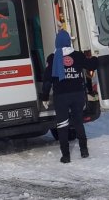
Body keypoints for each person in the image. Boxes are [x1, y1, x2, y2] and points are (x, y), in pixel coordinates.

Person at [41, 30, 99, 163]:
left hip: (61, 96)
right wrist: (96, 57)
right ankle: (84, 151)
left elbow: (47, 80)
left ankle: (65, 156)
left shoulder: (52, 58)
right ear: (68, 41)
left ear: (57, 42)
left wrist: (45, 96)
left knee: (62, 125)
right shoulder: (77, 56)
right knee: (78, 122)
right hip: (77, 95)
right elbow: (91, 65)